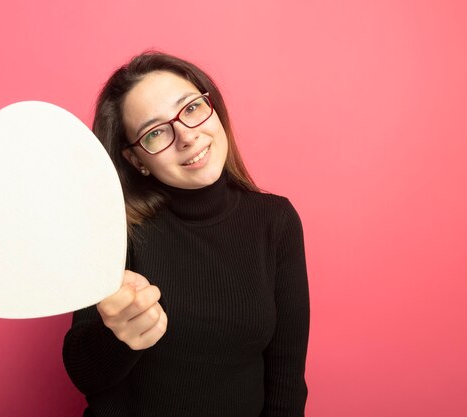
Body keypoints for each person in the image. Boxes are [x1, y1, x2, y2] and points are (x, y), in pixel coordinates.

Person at [62, 51, 310, 417]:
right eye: (156, 132)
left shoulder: (277, 222)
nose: (187, 137)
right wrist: (118, 336)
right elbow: (85, 375)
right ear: (136, 160)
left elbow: (286, 384)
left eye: (191, 108)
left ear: (212, 105)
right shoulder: (113, 226)